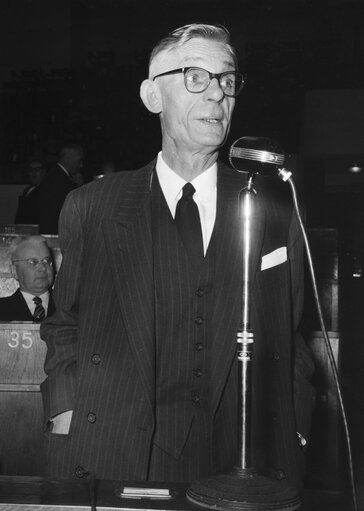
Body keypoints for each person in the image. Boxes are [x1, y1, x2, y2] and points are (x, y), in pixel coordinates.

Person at [40, 23, 314, 488]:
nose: (216, 95)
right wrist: (65, 409)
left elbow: (291, 336)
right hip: (113, 443)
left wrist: (298, 426)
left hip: (240, 450)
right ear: (152, 96)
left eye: (227, 80)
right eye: (195, 77)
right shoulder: (93, 206)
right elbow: (64, 323)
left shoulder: (273, 208)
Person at [0, 235, 55, 321]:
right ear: (14, 271)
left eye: (46, 261)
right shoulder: (2, 309)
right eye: (33, 262)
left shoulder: (70, 309)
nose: (43, 268)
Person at [37, 142, 84, 234]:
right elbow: (74, 211)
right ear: (68, 158)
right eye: (79, 160)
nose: (81, 165)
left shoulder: (54, 175)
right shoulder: (60, 180)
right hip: (57, 234)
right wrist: (80, 188)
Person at [15, 159, 45, 225]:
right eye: (31, 170)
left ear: (43, 172)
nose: (33, 173)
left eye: (37, 169)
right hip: (23, 228)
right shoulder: (27, 190)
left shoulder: (45, 190)